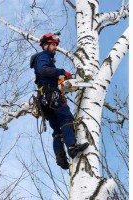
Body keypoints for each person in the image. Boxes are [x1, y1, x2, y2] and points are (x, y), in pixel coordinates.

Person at [30, 33, 89, 170]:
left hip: (45, 99)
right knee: (66, 118)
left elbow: (46, 77)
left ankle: (61, 158)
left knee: (57, 129)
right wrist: (62, 71)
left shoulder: (43, 59)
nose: (55, 47)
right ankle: (72, 147)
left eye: (56, 45)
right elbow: (44, 71)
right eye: (53, 45)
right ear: (46, 45)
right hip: (51, 96)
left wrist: (61, 82)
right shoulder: (43, 57)